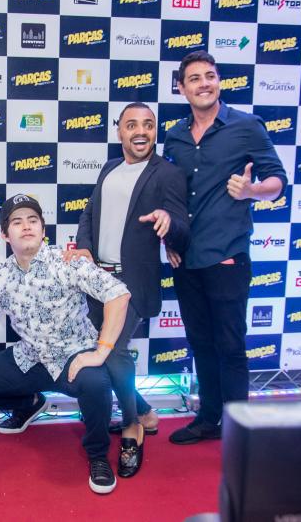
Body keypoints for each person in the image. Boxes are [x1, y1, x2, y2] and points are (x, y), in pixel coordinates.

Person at [0, 194, 131, 494]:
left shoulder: (68, 262)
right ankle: (29, 404)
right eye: (17, 222)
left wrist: (100, 351)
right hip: (29, 359)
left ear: (43, 229)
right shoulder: (0, 274)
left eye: (33, 220)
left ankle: (97, 455)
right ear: (5, 234)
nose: (26, 226)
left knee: (95, 382)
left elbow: (118, 294)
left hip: (72, 358)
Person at [162, 50, 287, 445]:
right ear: (181, 88)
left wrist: (252, 190)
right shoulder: (175, 136)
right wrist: (168, 238)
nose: (204, 84)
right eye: (195, 78)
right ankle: (208, 419)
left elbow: (278, 182)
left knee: (230, 345)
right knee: (201, 342)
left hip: (228, 255)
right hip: (186, 259)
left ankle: (239, 430)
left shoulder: (247, 126)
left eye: (210, 76)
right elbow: (172, 196)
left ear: (218, 81)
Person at [65, 102, 189, 477]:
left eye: (148, 125)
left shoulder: (168, 173)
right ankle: (147, 412)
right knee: (100, 352)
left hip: (132, 282)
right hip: (97, 280)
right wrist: (84, 246)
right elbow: (89, 212)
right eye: (132, 125)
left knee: (114, 351)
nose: (141, 131)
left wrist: (169, 222)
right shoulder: (109, 168)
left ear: (155, 131)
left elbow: (183, 226)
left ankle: (133, 425)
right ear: (119, 131)